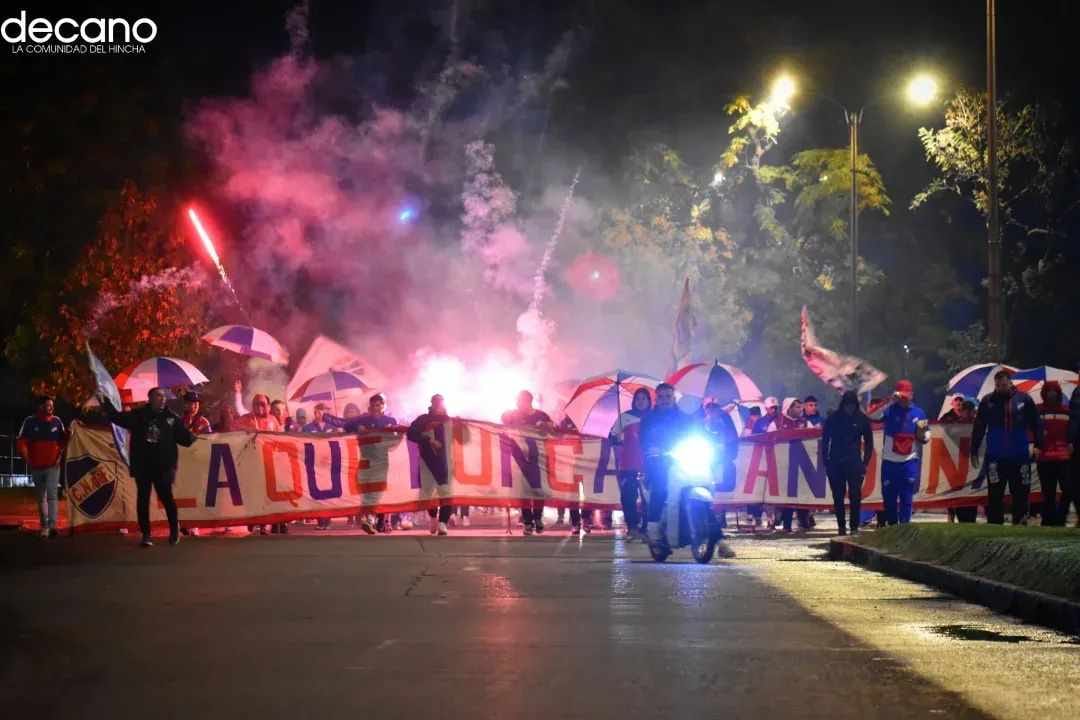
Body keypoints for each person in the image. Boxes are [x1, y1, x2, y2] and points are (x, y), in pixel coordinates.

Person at [102, 387, 197, 547]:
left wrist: (191, 437)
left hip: (163, 466)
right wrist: (105, 401)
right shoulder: (139, 415)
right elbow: (117, 418)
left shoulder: (171, 418)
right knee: (143, 499)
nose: (163, 399)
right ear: (150, 398)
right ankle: (146, 534)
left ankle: (174, 529)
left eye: (164, 396)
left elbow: (184, 439)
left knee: (166, 497)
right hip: (143, 466)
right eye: (159, 396)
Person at [971, 370, 1042, 525]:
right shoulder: (987, 401)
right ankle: (995, 525)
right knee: (995, 495)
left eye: (1003, 385)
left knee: (1021, 493)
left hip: (1020, 456)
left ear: (1010, 383)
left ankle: (1021, 522)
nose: (1000, 388)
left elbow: (1036, 423)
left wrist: (1038, 445)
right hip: (996, 457)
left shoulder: (1024, 399)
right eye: (997, 386)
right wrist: (974, 449)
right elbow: (979, 426)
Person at [325, 394, 400, 532]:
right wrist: (326, 416)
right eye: (374, 405)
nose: (377, 407)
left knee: (378, 489)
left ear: (384, 406)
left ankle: (376, 519)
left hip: (382, 460)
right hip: (365, 458)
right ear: (369, 407)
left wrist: (396, 436)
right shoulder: (361, 420)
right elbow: (344, 424)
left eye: (379, 404)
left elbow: (395, 440)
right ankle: (370, 518)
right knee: (367, 489)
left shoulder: (390, 421)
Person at [870, 380, 930, 525]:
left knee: (907, 497)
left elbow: (926, 434)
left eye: (906, 395)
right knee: (889, 499)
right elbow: (872, 415)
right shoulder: (890, 409)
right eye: (901, 395)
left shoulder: (919, 412)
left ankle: (904, 527)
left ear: (912, 395)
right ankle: (892, 527)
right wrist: (890, 400)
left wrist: (923, 436)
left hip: (909, 462)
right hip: (890, 462)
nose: (904, 398)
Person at [640, 382, 691, 544]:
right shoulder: (649, 419)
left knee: (698, 485)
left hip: (683, 461)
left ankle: (717, 538)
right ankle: (653, 531)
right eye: (661, 397)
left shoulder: (684, 418)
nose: (665, 400)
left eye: (668, 396)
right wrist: (652, 449)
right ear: (656, 399)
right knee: (660, 490)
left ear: (674, 398)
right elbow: (644, 440)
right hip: (659, 462)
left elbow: (696, 432)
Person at [502, 390, 556, 534]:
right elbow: (502, 422)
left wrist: (546, 425)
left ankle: (537, 517)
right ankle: (527, 521)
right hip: (519, 458)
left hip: (538, 457)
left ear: (529, 401)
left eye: (522, 401)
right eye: (518, 401)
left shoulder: (541, 415)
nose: (519, 404)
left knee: (539, 489)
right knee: (523, 490)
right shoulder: (512, 415)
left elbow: (553, 428)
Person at [821, 391, 874, 535]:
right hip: (835, 462)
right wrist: (826, 461)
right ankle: (841, 526)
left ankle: (854, 526)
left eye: (852, 405)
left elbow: (869, 443)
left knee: (855, 496)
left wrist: (865, 463)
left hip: (854, 463)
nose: (849, 408)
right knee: (838, 496)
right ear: (843, 404)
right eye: (847, 405)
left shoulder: (862, 419)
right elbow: (825, 441)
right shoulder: (833, 419)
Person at [16, 395, 68, 538]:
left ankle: (52, 527)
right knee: (41, 498)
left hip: (53, 466)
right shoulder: (30, 422)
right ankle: (44, 526)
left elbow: (64, 441)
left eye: (52, 405)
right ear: (40, 407)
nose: (50, 407)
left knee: (52, 496)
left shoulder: (57, 422)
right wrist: (28, 460)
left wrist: (59, 457)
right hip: (36, 466)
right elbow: (21, 442)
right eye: (47, 405)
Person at [408, 394, 454, 536]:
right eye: (436, 402)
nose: (438, 405)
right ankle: (433, 518)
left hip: (446, 463)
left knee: (446, 493)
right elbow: (411, 433)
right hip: (427, 462)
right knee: (428, 493)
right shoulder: (423, 419)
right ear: (431, 404)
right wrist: (427, 439)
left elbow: (464, 438)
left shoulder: (450, 420)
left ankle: (443, 523)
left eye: (440, 402)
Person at [610, 387, 651, 540]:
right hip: (629, 462)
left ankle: (648, 527)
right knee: (629, 496)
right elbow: (612, 435)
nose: (641, 402)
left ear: (649, 401)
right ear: (634, 401)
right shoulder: (625, 417)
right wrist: (618, 443)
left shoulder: (653, 417)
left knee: (649, 497)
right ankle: (632, 527)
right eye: (638, 399)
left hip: (649, 463)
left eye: (644, 399)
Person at [1035, 381, 1070, 526]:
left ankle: (1060, 518)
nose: (1051, 394)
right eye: (1048, 391)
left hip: (1063, 456)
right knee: (1047, 491)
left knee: (1068, 489)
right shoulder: (1038, 411)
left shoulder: (1066, 411)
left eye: (1054, 391)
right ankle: (1048, 519)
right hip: (1045, 457)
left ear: (1058, 393)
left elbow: (1071, 432)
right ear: (1044, 393)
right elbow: (1032, 430)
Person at [703, 400, 739, 535]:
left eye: (713, 409)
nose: (711, 412)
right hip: (707, 460)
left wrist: (728, 454)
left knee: (721, 488)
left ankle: (720, 515)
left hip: (723, 460)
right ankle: (709, 515)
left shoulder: (726, 423)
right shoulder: (702, 423)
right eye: (708, 409)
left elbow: (732, 439)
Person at [940, 398, 978, 523]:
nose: (971, 413)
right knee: (962, 494)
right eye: (969, 411)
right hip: (960, 464)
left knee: (970, 495)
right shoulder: (953, 422)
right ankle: (960, 517)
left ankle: (968, 518)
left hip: (971, 464)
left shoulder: (976, 423)